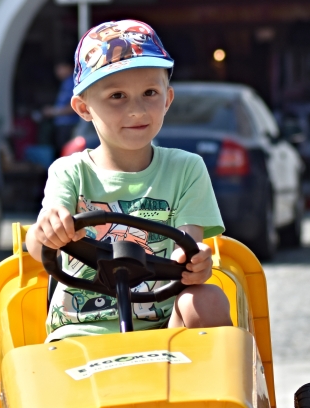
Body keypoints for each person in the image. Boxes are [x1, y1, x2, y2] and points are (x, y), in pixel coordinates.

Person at [26, 20, 232, 341]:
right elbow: (38, 246)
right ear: (83, 108)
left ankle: (215, 375)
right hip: (79, 334)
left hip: (165, 330)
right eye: (117, 96)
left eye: (149, 93)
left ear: (167, 98)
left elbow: (187, 248)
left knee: (207, 298)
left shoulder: (186, 169)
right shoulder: (69, 172)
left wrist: (195, 263)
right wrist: (47, 230)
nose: (137, 110)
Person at [43, 62, 80, 155]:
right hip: (62, 125)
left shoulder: (73, 82)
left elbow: (73, 106)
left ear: (68, 67)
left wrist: (53, 111)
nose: (57, 72)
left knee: (67, 153)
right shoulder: (65, 83)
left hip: (69, 124)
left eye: (60, 68)